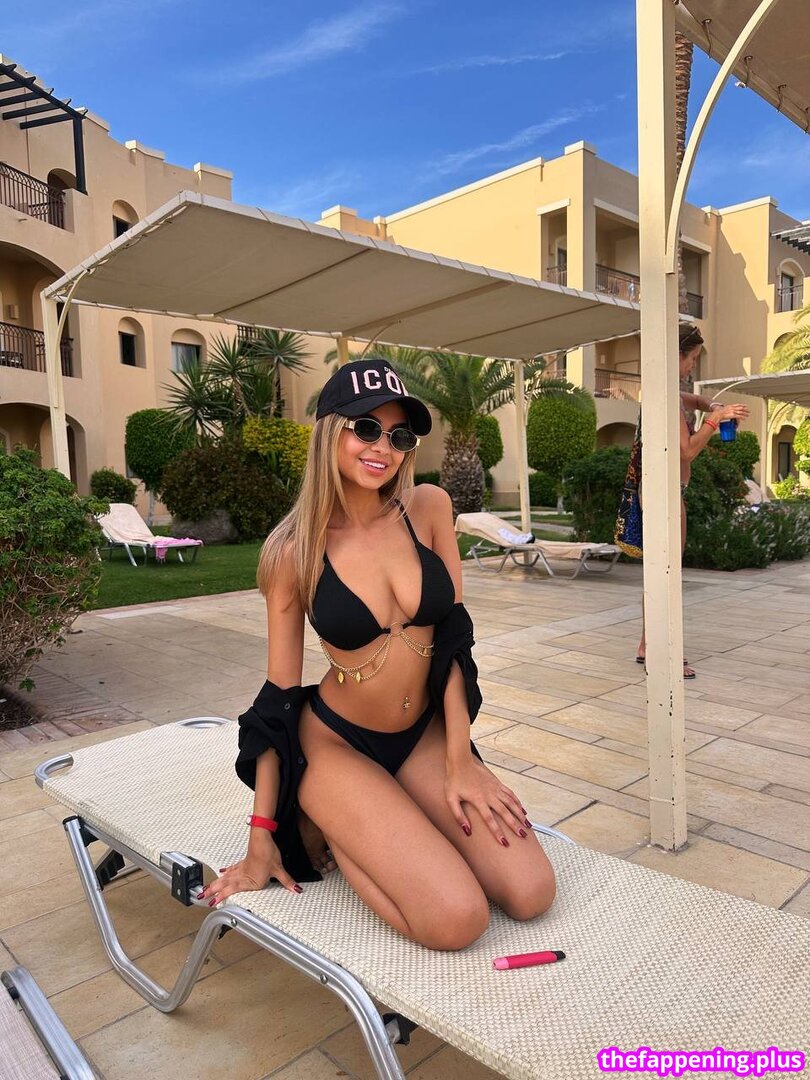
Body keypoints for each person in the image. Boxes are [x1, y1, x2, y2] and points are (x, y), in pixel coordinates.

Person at [199, 359, 556, 950]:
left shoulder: (429, 508)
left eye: (398, 435)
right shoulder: (292, 552)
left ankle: (381, 812)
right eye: (365, 428)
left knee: (530, 891)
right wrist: (263, 837)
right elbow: (277, 699)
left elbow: (454, 639)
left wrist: (460, 758)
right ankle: (338, 826)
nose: (382, 447)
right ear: (329, 433)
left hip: (423, 735)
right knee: (457, 920)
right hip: (335, 745)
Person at [635, 323, 749, 677]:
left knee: (661, 571)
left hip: (661, 491)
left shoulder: (662, 390)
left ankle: (648, 645)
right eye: (692, 358)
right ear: (677, 355)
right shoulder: (665, 398)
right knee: (668, 574)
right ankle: (663, 653)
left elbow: (692, 400)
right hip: (665, 495)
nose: (692, 365)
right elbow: (685, 451)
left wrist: (710, 404)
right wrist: (714, 420)